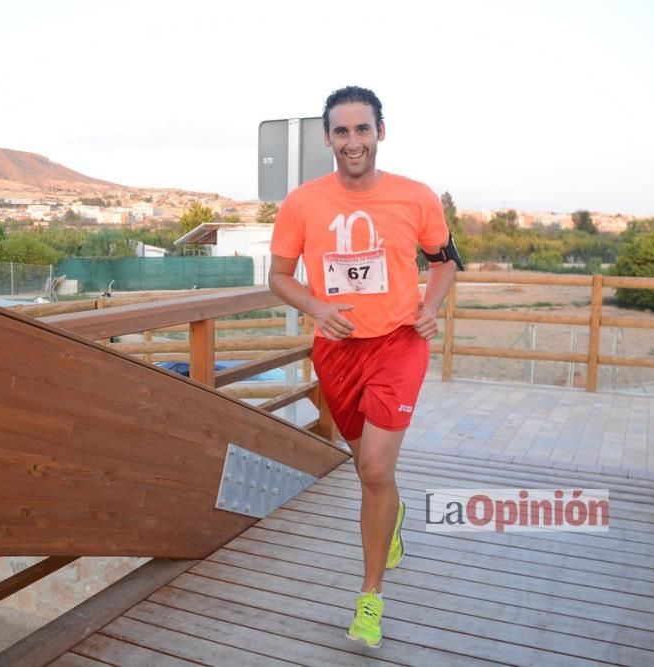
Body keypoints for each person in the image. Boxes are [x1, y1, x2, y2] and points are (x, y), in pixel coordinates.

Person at [268, 85, 462, 649]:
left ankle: (370, 598)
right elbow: (278, 277)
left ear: (381, 132)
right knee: (368, 470)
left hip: (399, 343)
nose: (353, 142)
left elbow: (445, 262)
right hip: (337, 349)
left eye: (362, 129)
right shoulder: (302, 202)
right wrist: (316, 306)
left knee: (375, 470)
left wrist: (429, 308)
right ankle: (391, 516)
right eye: (341, 131)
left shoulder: (416, 197)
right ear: (328, 138)